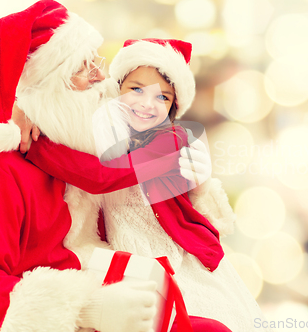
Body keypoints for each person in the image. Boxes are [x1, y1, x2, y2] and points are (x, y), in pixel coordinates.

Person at [0, 0, 221, 332]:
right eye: (85, 67)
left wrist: (200, 187)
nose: (103, 77)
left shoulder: (85, 146)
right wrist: (85, 310)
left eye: (97, 61)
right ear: (51, 83)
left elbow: (104, 178)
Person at [16, 38, 271, 332]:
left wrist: (35, 146)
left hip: (174, 258)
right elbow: (65, 112)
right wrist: (26, 112)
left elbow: (102, 177)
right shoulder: (103, 130)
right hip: (124, 257)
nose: (147, 104)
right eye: (136, 89)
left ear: (174, 105)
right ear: (116, 89)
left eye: (162, 97)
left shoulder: (171, 141)